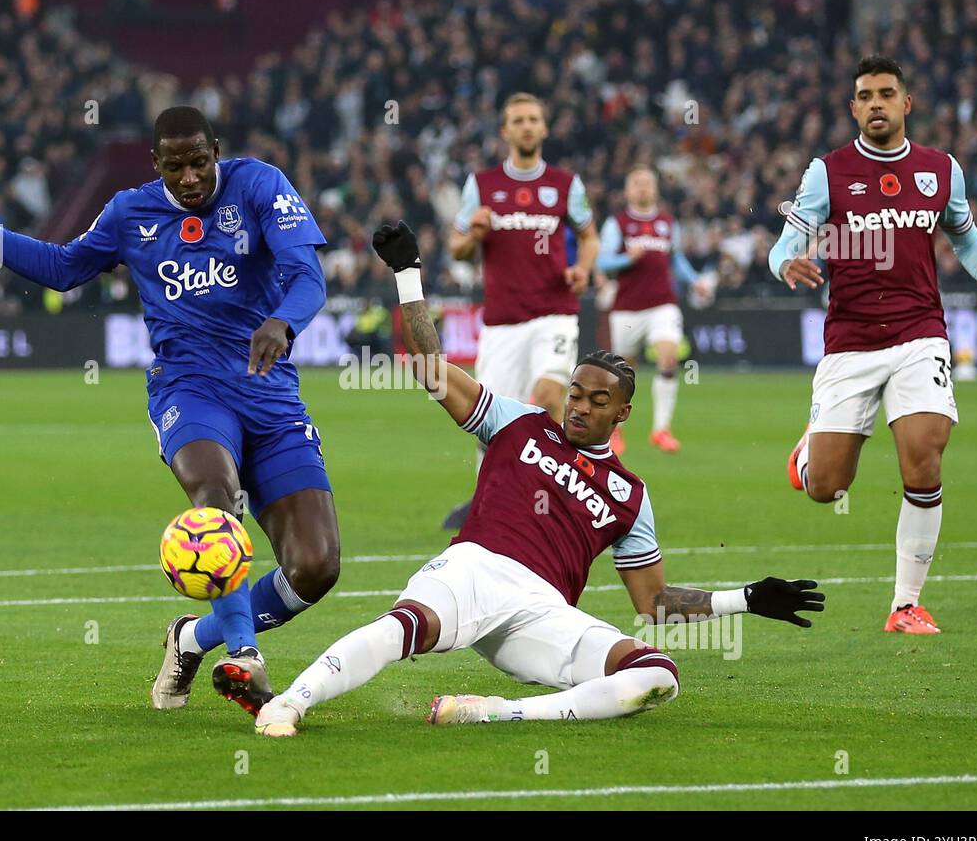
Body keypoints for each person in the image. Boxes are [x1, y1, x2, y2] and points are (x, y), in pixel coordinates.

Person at [254, 221, 823, 737]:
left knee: (657, 675)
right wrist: (408, 276)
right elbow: (432, 371)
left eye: (598, 401)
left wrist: (745, 598)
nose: (579, 408)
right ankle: (289, 703)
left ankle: (495, 711)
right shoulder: (519, 422)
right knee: (405, 626)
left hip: (543, 611)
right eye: (575, 394)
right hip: (474, 567)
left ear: (621, 414)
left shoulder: (631, 496)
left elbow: (654, 603)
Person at [0, 106, 341, 714]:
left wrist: (282, 321)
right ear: (156, 164)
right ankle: (244, 657)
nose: (190, 176)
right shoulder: (130, 211)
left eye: (199, 161)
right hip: (188, 389)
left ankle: (191, 637)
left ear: (215, 150)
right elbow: (63, 269)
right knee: (216, 499)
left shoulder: (260, 185)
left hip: (271, 394)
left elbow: (309, 277)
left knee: (316, 567)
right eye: (176, 166)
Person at [769, 56, 977, 635]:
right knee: (827, 488)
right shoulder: (828, 172)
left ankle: (904, 604)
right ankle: (810, 451)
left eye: (888, 93)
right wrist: (786, 260)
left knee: (924, 455)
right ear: (854, 108)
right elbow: (784, 243)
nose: (877, 103)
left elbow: (966, 237)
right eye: (866, 96)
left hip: (920, 334)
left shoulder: (940, 169)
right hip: (850, 343)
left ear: (906, 104)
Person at [442, 92, 599, 528]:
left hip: (554, 312)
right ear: (505, 131)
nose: (527, 126)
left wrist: (583, 269)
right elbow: (456, 249)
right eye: (518, 120)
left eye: (533, 119)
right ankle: (488, 504)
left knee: (550, 396)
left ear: (544, 128)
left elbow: (589, 236)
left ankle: (553, 497)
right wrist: (473, 233)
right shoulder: (482, 185)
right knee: (487, 423)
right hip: (502, 323)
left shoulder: (567, 184)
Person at [597, 164, 712, 454]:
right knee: (624, 371)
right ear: (627, 190)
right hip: (627, 308)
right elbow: (602, 262)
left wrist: (694, 281)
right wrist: (626, 258)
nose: (643, 188)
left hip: (663, 304)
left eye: (647, 183)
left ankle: (661, 429)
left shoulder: (666, 222)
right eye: (637, 183)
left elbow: (676, 260)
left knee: (669, 357)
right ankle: (616, 430)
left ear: (655, 188)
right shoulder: (618, 223)